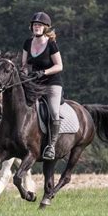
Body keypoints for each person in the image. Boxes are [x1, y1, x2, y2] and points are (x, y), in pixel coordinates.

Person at [21, 12, 64, 160]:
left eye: (39, 25)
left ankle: (51, 146)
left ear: (45, 27)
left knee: (53, 111)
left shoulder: (51, 44)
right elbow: (24, 65)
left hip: (52, 83)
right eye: (34, 25)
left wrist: (43, 72)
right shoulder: (27, 42)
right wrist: (25, 74)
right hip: (33, 83)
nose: (36, 27)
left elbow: (59, 66)